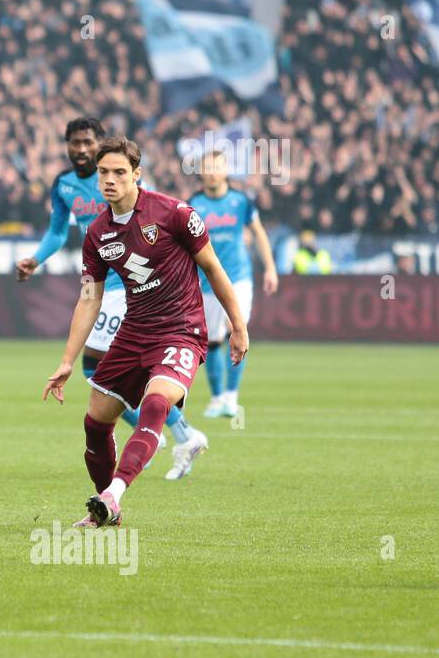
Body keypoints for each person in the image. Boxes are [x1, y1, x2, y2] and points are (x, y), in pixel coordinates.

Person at [43, 135, 248, 528]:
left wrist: (238, 325)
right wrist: (68, 360)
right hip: (133, 332)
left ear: (137, 175)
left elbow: (213, 268)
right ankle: (105, 511)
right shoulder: (97, 234)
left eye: (119, 172)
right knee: (95, 423)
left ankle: (115, 493)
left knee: (156, 403)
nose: (109, 179)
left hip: (181, 329)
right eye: (103, 172)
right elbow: (89, 299)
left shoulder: (174, 213)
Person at [17, 116, 204, 467]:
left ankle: (171, 434)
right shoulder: (63, 185)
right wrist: (36, 259)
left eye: (89, 142)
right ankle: (171, 434)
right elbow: (58, 232)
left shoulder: (122, 179)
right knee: (98, 370)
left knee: (100, 368)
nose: (82, 149)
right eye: (76, 143)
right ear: (68, 147)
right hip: (102, 277)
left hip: (129, 286)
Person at [188, 149, 279, 422]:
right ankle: (217, 399)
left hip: (238, 277)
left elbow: (259, 233)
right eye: (208, 167)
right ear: (201, 172)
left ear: (225, 170)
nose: (213, 171)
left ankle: (231, 396)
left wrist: (271, 269)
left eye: (217, 166)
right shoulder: (193, 204)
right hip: (206, 282)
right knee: (212, 341)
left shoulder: (241, 201)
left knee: (235, 328)